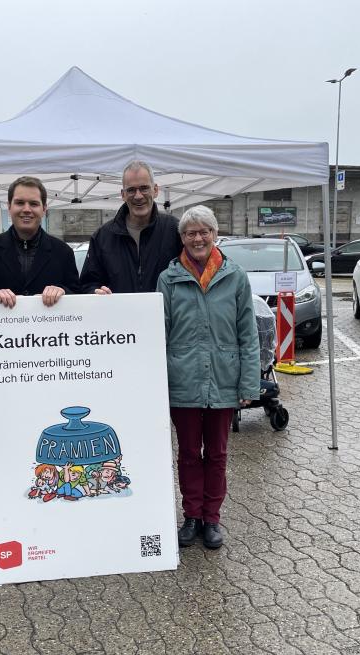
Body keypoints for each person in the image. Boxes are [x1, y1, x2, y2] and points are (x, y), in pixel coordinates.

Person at [156, 205, 259, 549]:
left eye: (204, 231)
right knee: (187, 452)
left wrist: (248, 384)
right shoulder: (169, 279)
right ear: (182, 238)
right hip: (182, 380)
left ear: (215, 235)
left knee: (216, 453)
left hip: (224, 379)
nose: (197, 238)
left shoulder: (235, 277)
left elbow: (248, 334)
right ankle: (192, 516)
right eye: (190, 233)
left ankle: (212, 518)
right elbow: (160, 334)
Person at [0, 176, 79, 308]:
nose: (26, 209)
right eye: (20, 203)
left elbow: (78, 295)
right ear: (9, 207)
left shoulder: (63, 252)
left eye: (33, 204)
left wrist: (63, 292)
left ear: (44, 209)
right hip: (3, 328)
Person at [80, 160, 182, 294]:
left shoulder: (174, 230)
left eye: (144, 188)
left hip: (164, 314)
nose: (138, 196)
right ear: (123, 195)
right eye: (131, 190)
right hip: (119, 313)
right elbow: (87, 284)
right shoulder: (102, 236)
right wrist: (95, 292)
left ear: (155, 190)